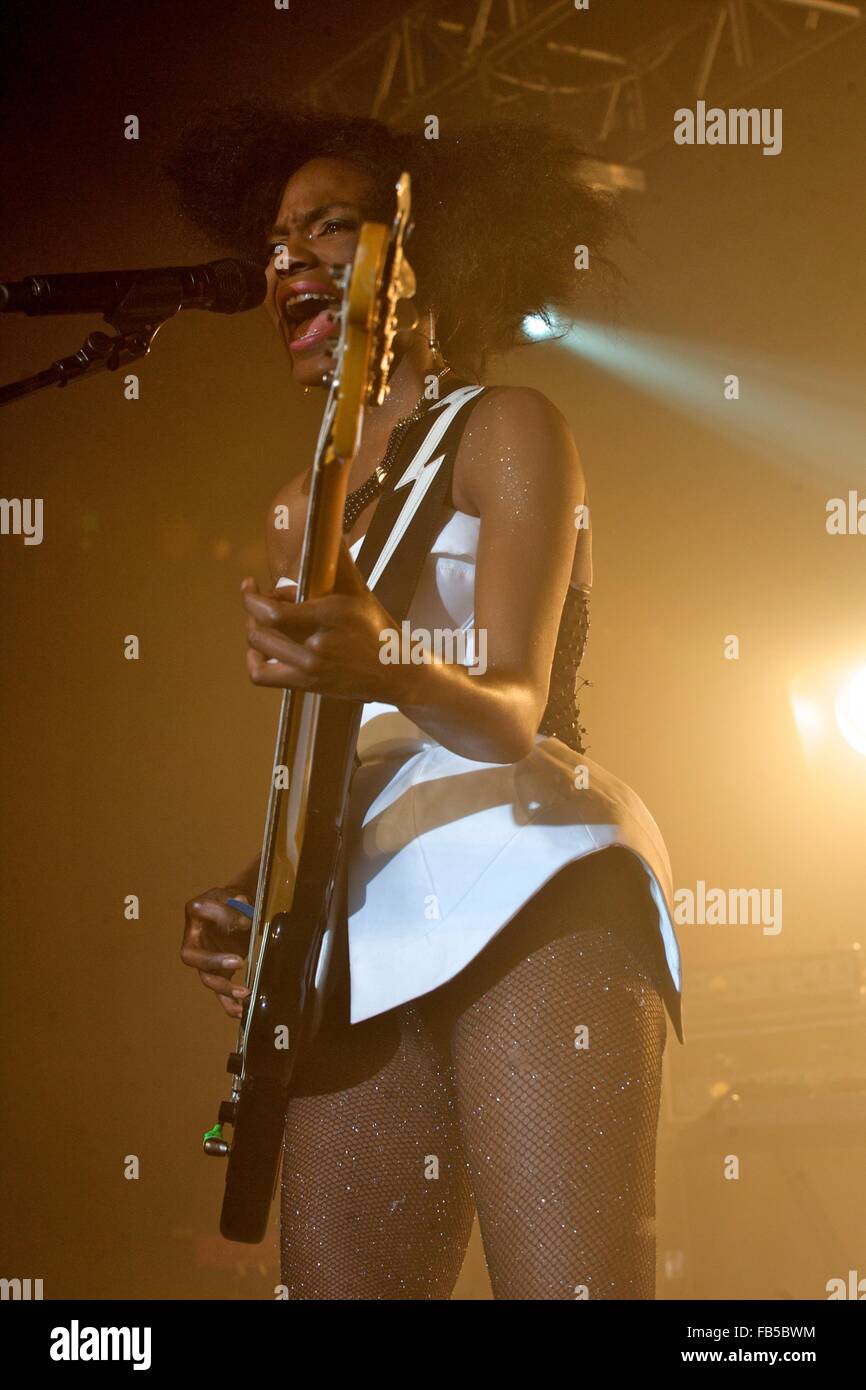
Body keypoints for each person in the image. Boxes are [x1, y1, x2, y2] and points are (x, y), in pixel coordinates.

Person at [172, 104, 684, 1300]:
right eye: (276, 241)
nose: (285, 259)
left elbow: (508, 705)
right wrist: (256, 889)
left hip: (532, 869)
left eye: (326, 228)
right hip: (365, 918)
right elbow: (352, 763)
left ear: (418, 257)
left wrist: (385, 660)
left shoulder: (507, 427)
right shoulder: (300, 507)